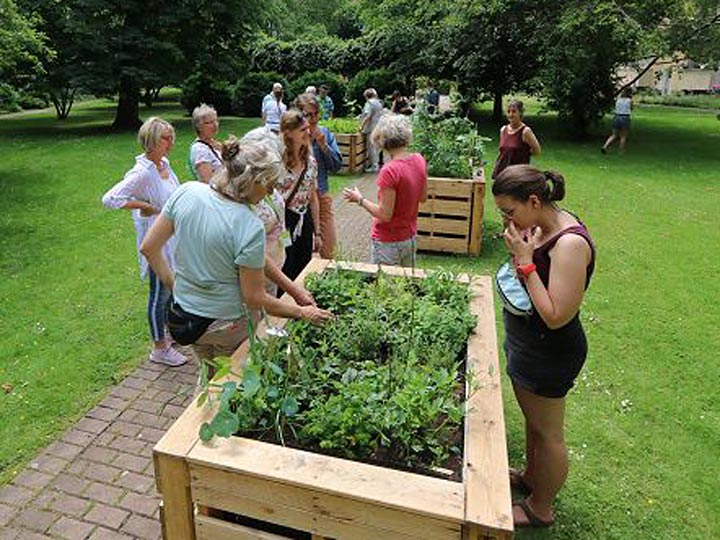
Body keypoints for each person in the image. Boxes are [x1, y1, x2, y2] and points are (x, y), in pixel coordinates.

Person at [140, 138, 332, 362]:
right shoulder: (248, 224)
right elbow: (254, 298)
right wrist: (302, 313)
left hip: (187, 318)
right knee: (232, 385)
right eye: (268, 185)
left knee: (209, 379)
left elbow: (149, 248)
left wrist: (173, 284)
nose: (270, 193)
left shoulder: (187, 192)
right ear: (252, 181)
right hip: (227, 325)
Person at [492, 164, 595, 529]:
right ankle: (531, 478)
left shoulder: (569, 244)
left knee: (549, 434)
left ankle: (541, 507)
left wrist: (524, 263)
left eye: (509, 211)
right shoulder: (539, 226)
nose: (506, 220)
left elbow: (556, 316)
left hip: (550, 350)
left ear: (534, 200)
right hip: (529, 343)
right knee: (534, 424)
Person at [102, 117, 188, 367]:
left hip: (172, 237)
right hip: (155, 241)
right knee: (159, 293)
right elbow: (110, 198)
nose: (171, 142)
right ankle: (159, 348)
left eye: (172, 137)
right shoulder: (142, 172)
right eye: (165, 138)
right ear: (151, 141)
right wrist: (144, 206)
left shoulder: (165, 164)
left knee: (172, 288)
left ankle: (170, 334)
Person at [343, 114, 428, 266]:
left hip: (388, 242)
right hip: (409, 238)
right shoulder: (419, 160)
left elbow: (385, 214)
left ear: (382, 141)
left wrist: (360, 200)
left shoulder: (389, 171)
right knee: (406, 287)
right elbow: (422, 197)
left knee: (384, 287)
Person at [277, 109, 322, 283]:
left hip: (304, 220)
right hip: (283, 222)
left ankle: (299, 306)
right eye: (302, 130)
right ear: (288, 133)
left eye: (307, 128)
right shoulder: (277, 163)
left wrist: (317, 232)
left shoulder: (311, 162)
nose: (308, 132)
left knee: (304, 265)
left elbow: (313, 197)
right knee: (285, 265)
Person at [296, 92, 342, 259]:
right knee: (300, 253)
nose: (313, 119)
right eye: (308, 115)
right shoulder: (293, 136)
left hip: (321, 196)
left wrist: (323, 146)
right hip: (298, 201)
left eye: (316, 114)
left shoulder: (325, 133)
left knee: (329, 249)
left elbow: (336, 166)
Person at [492, 100, 541, 180]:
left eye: (514, 112)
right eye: (508, 112)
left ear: (520, 113)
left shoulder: (525, 131)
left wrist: (523, 153)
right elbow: (502, 151)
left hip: (518, 175)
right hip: (502, 173)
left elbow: (537, 151)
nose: (510, 115)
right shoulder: (503, 130)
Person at [188, 103, 222, 182]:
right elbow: (208, 181)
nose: (215, 125)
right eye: (209, 123)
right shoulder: (200, 150)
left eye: (215, 120)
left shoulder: (214, 144)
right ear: (199, 126)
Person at [360, 88, 384, 173]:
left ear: (366, 96)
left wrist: (361, 126)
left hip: (371, 128)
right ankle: (376, 165)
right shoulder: (379, 103)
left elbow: (368, 116)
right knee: (377, 147)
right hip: (379, 127)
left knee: (372, 147)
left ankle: (374, 166)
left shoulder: (369, 103)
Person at [601, 88, 633, 154]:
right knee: (623, 136)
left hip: (616, 117)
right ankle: (621, 150)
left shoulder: (618, 100)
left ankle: (605, 146)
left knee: (614, 135)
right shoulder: (629, 100)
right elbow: (631, 108)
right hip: (625, 117)